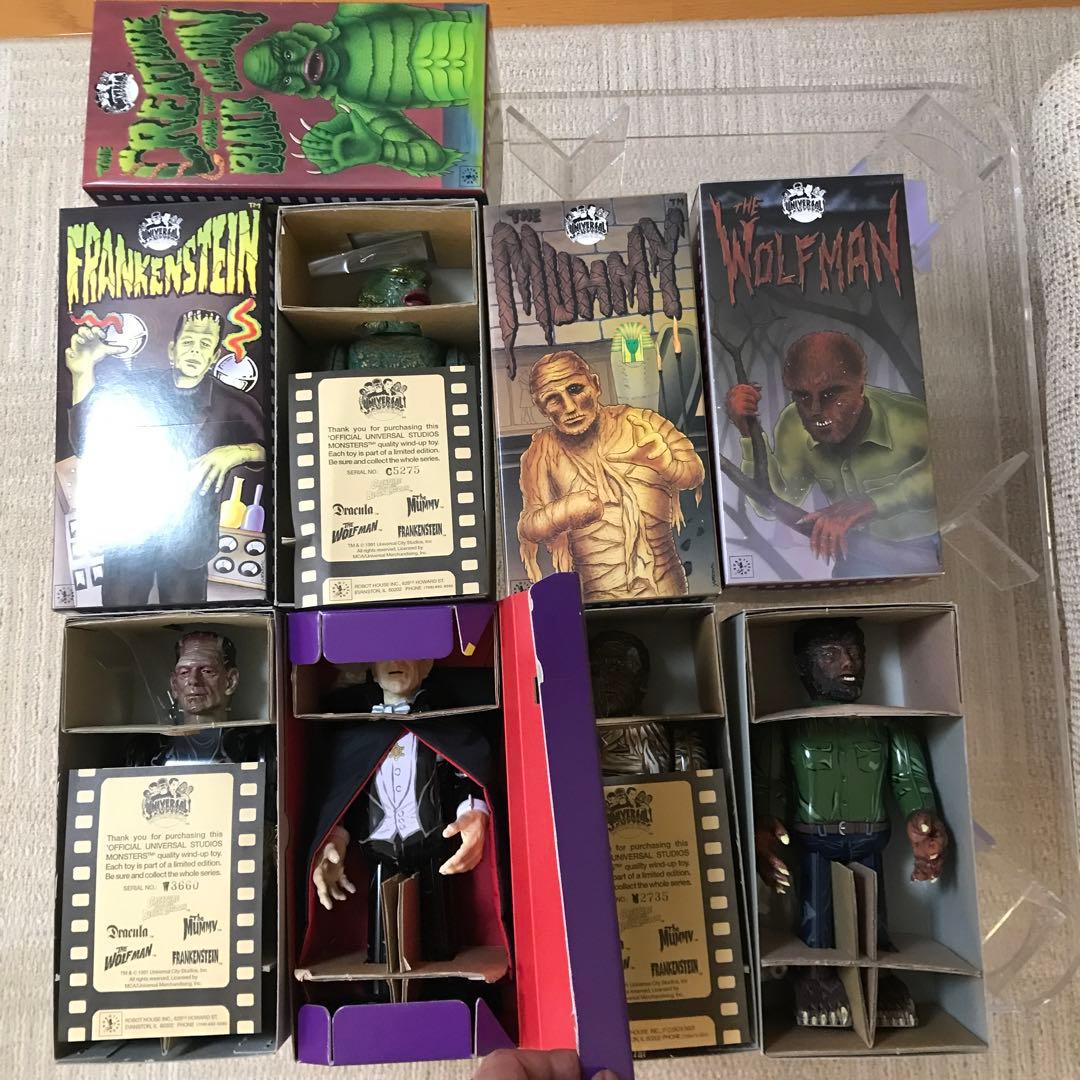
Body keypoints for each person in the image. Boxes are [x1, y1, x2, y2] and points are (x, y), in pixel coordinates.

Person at [752, 618, 949, 1028]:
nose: (849, 663)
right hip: (814, 842)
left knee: (871, 913)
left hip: (870, 839)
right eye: (831, 655)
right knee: (817, 913)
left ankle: (880, 978)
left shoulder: (887, 724)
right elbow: (771, 781)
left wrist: (921, 815)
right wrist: (765, 826)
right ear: (804, 667)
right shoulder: (789, 728)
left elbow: (909, 777)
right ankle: (815, 977)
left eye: (856, 652)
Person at [66, 310, 265, 606]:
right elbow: (86, 443)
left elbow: (270, 450)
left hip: (190, 542)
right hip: (129, 533)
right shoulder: (135, 388)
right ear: (172, 350)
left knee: (188, 621)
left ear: (214, 356)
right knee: (117, 615)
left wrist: (235, 452)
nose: (195, 350)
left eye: (204, 344)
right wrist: (82, 371)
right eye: (188, 342)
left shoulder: (234, 404)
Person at [309, 659, 491, 965]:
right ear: (371, 668)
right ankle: (379, 972)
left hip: (431, 844)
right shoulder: (354, 733)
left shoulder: (444, 724)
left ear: (427, 666)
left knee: (438, 934)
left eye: (409, 653)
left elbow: (463, 775)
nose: (396, 662)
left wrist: (473, 811)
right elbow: (346, 793)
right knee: (382, 937)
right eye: (385, 655)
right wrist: (336, 836)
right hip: (378, 848)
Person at [725, 330, 938, 576]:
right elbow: (773, 502)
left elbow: (941, 476)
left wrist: (868, 504)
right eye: (803, 396)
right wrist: (748, 432)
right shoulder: (793, 425)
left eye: (830, 394)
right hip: (854, 552)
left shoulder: (910, 418)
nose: (814, 409)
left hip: (924, 547)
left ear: (860, 387)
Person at [517, 350, 705, 602]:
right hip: (595, 598)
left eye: (575, 389)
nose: (570, 407)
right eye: (553, 399)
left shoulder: (643, 423)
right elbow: (529, 525)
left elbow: (694, 473)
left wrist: (667, 465)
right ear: (542, 408)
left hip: (665, 585)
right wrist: (567, 511)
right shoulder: (542, 450)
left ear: (595, 385)